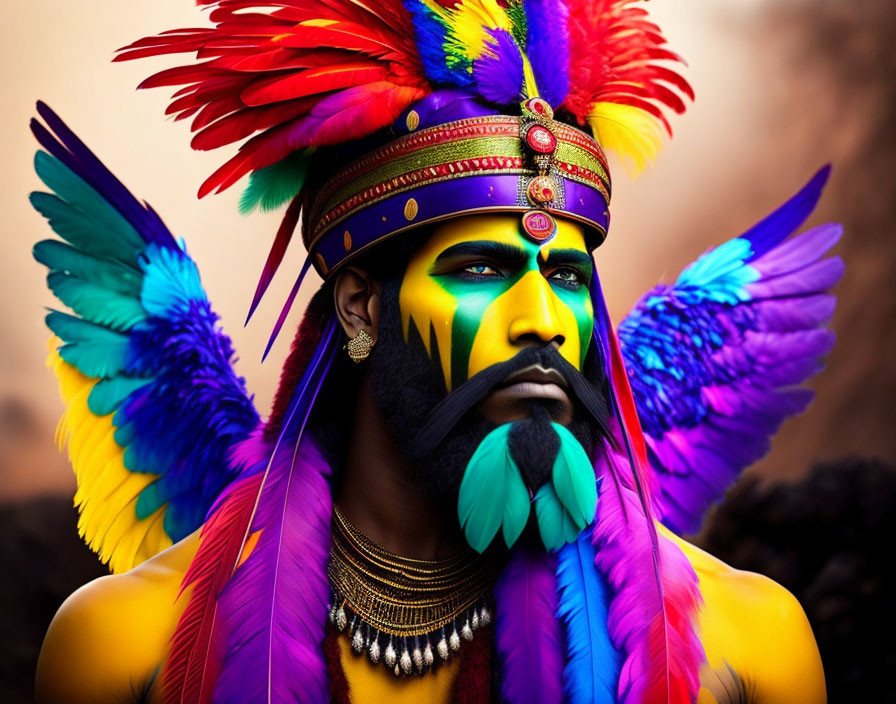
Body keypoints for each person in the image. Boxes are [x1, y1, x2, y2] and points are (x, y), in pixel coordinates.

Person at [31, 2, 840, 702]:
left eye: (563, 275)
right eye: (481, 270)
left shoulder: (749, 647)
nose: (544, 320)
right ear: (360, 309)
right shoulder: (123, 646)